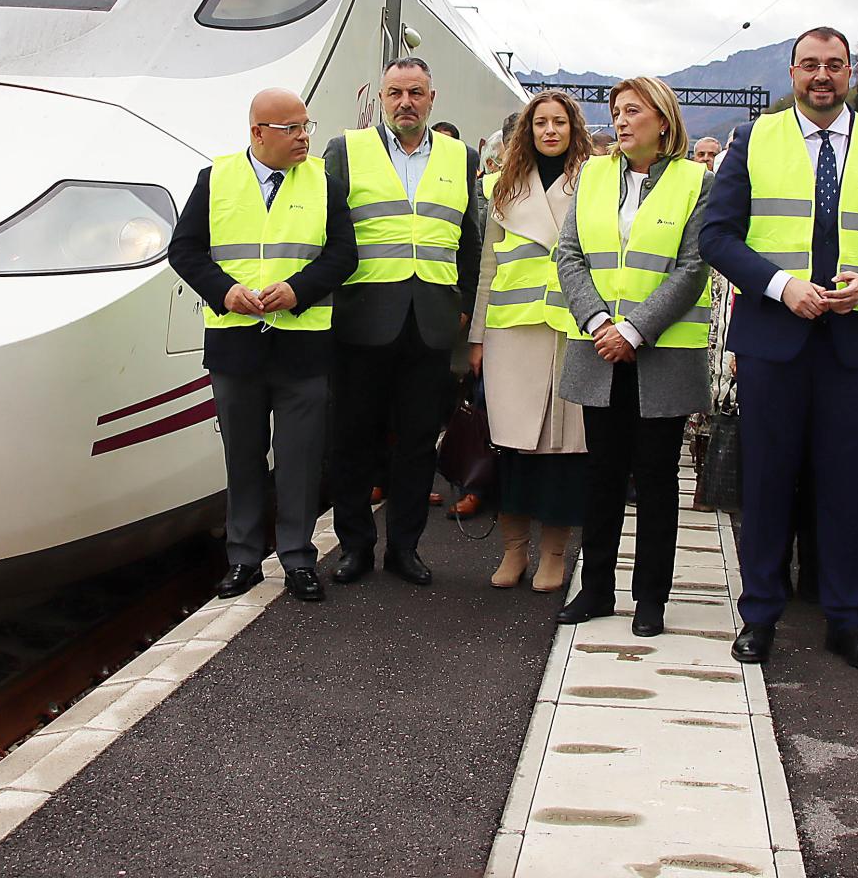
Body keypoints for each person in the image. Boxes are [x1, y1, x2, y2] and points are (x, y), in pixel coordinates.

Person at [699, 26, 858, 671]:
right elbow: (718, 237)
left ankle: (847, 618)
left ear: (850, 72)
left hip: (854, 341)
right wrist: (780, 286)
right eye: (810, 65)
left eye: (834, 65)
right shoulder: (756, 138)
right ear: (793, 72)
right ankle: (760, 614)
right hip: (776, 338)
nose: (822, 75)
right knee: (769, 482)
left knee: (845, 484)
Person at [168, 89, 357, 603]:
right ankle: (244, 558)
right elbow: (183, 249)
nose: (303, 137)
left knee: (299, 458)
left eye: (305, 126)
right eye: (291, 128)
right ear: (258, 133)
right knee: (243, 457)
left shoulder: (324, 182)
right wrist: (223, 290)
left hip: (303, 344)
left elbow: (344, 255)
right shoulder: (216, 179)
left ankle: (297, 558)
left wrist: (299, 290)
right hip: (236, 344)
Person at [552, 77, 713, 638]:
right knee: (601, 475)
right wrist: (599, 321)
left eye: (632, 112)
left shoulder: (698, 181)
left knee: (656, 478)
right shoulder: (592, 175)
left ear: (663, 121)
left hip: (661, 353)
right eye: (616, 111)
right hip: (599, 349)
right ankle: (596, 589)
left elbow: (694, 269)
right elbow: (568, 254)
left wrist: (635, 329)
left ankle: (651, 598)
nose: (619, 121)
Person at [323, 57, 482, 586]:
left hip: (431, 321)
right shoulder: (347, 151)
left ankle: (406, 549)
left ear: (432, 99)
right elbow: (330, 231)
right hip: (363, 318)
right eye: (395, 93)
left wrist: (461, 306)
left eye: (415, 92)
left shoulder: (463, 158)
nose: (405, 102)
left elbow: (469, 241)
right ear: (381, 98)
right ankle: (354, 548)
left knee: (417, 443)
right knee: (354, 438)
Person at [469, 91, 593, 591]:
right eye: (539, 122)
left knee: (563, 450)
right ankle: (513, 551)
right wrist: (476, 338)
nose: (549, 131)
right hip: (511, 332)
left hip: (570, 329)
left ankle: (554, 555)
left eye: (558, 122)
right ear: (526, 131)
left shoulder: (594, 183)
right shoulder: (502, 187)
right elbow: (487, 269)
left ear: (572, 128)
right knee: (513, 447)